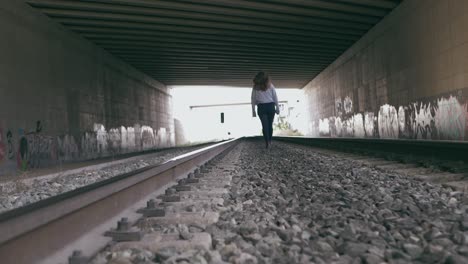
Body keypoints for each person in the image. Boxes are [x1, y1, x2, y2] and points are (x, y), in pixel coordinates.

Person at [251, 71, 280, 149]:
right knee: (267, 125)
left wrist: (253, 110)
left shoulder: (258, 87)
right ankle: (268, 141)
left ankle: (268, 141)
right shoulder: (269, 86)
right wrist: (277, 107)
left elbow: (253, 99)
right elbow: (275, 97)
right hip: (268, 107)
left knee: (267, 125)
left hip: (264, 107)